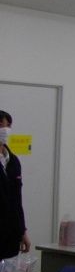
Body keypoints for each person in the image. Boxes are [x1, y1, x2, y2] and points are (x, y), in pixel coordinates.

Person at [0, 110, 31, 259]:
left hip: (10, 233)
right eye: (1, 125)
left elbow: (17, 200)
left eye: (8, 125)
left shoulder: (13, 161)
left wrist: (22, 230)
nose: (5, 129)